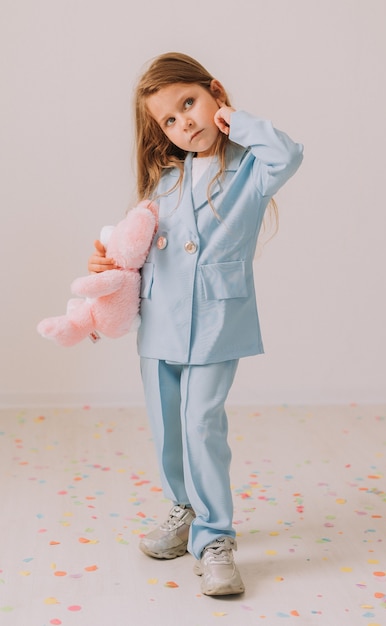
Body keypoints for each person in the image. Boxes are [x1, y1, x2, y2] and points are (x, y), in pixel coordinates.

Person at [88, 52, 303, 596]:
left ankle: (215, 538)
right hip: (159, 321)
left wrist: (240, 120)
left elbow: (289, 152)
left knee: (202, 424)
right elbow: (136, 250)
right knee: (167, 427)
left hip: (215, 320)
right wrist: (106, 270)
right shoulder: (163, 180)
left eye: (190, 104)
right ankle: (183, 509)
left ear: (213, 93)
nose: (186, 122)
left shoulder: (251, 169)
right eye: (170, 120)